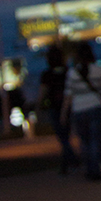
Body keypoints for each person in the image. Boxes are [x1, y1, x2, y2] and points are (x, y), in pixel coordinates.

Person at [62, 41, 101, 181]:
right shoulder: (99, 70)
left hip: (79, 109)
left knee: (84, 141)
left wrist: (64, 114)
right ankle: (96, 169)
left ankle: (89, 169)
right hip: (95, 107)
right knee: (96, 139)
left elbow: (68, 96)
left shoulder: (72, 73)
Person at [38, 43, 78, 173]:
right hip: (69, 107)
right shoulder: (68, 72)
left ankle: (71, 161)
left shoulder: (47, 75)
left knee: (63, 138)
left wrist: (38, 106)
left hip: (55, 108)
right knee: (65, 136)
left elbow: (43, 93)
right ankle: (66, 165)